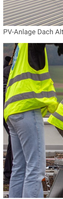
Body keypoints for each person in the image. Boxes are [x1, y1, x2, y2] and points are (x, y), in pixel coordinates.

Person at [4, 43, 63, 198]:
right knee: (35, 169)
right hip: (28, 107)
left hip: (13, 111)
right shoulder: (30, 44)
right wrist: (61, 43)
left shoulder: (20, 48)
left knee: (19, 167)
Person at [3, 52, 14, 185]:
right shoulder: (9, 71)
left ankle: (9, 174)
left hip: (7, 110)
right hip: (9, 110)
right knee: (14, 142)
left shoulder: (6, 70)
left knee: (14, 141)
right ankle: (9, 174)